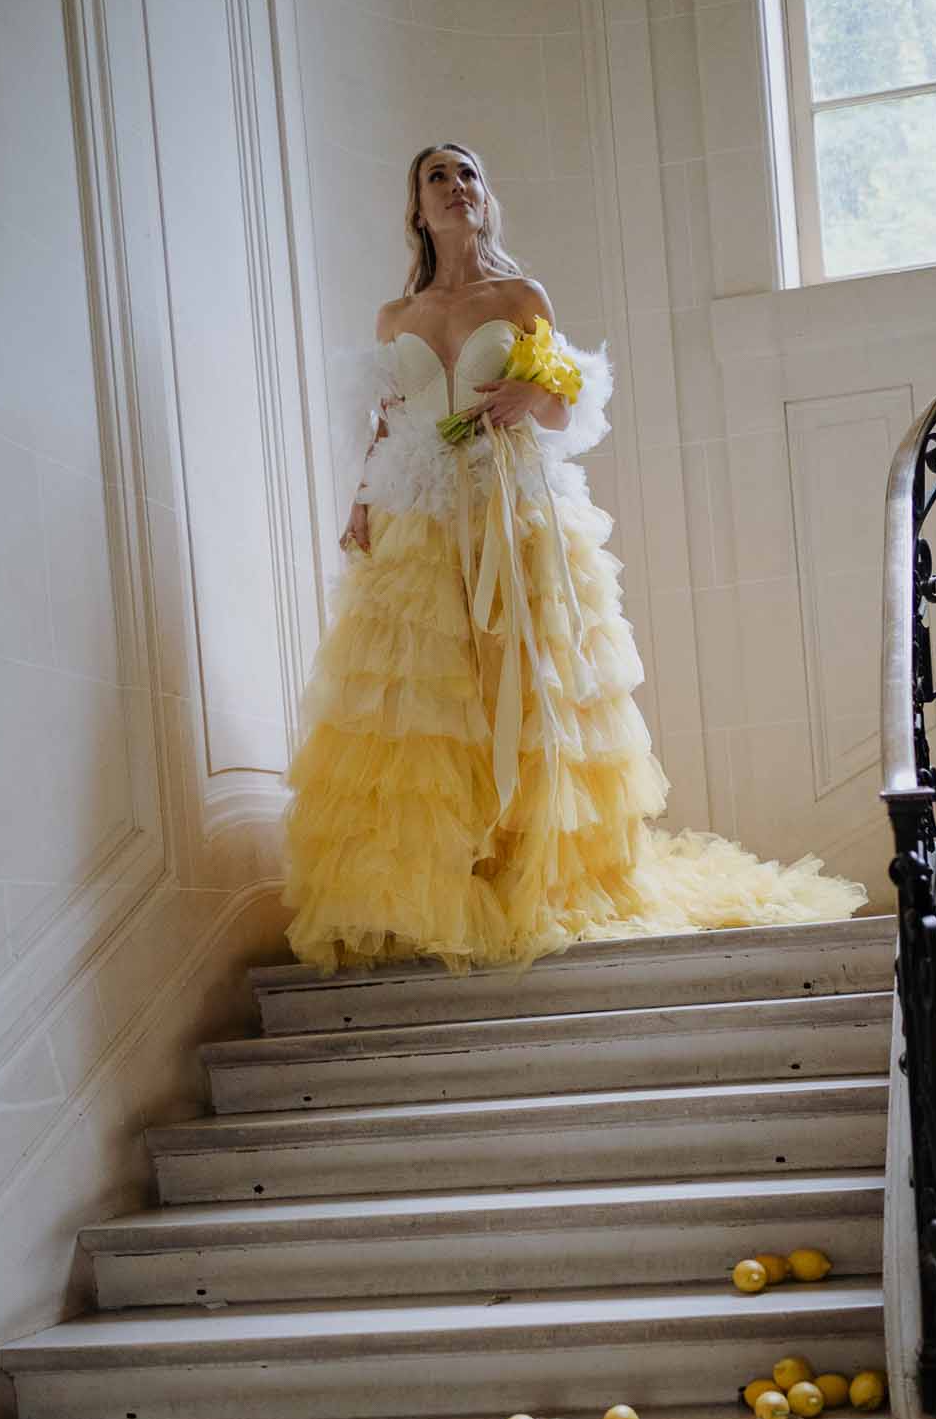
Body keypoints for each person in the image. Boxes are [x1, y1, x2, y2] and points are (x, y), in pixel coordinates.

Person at [283, 140, 866, 972]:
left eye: (468, 173)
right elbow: (385, 422)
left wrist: (535, 395)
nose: (455, 187)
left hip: (511, 510)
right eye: (436, 177)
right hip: (417, 519)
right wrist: (358, 504)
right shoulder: (394, 319)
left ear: (486, 197)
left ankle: (535, 874)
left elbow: (564, 409)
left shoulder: (520, 295)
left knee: (524, 675)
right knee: (425, 696)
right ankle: (452, 878)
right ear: (416, 208)